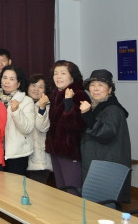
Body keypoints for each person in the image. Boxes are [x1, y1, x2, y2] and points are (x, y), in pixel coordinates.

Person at [79, 69, 131, 203]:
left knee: (104, 207)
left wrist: (87, 114)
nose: (95, 88)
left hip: (105, 167)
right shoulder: (98, 106)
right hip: (98, 163)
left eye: (101, 85)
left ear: (110, 89)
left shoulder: (112, 109)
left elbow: (105, 134)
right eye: (92, 85)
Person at [45, 60, 88, 192]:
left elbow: (78, 125)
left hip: (70, 152)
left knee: (72, 192)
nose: (58, 76)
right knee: (61, 192)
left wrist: (69, 102)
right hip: (56, 151)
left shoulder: (79, 95)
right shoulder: (55, 94)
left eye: (63, 73)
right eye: (55, 73)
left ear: (72, 76)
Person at [0, 65, 35, 176]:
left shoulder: (26, 101)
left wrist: (16, 111)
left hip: (16, 153)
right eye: (4, 77)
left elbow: (27, 128)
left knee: (14, 185)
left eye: (12, 79)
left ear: (18, 83)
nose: (7, 81)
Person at [26, 74, 52, 185]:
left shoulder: (48, 106)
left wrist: (42, 108)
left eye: (41, 87)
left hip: (39, 160)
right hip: (23, 157)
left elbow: (43, 127)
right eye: (33, 85)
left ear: (45, 90)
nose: (36, 89)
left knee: (37, 193)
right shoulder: (21, 104)